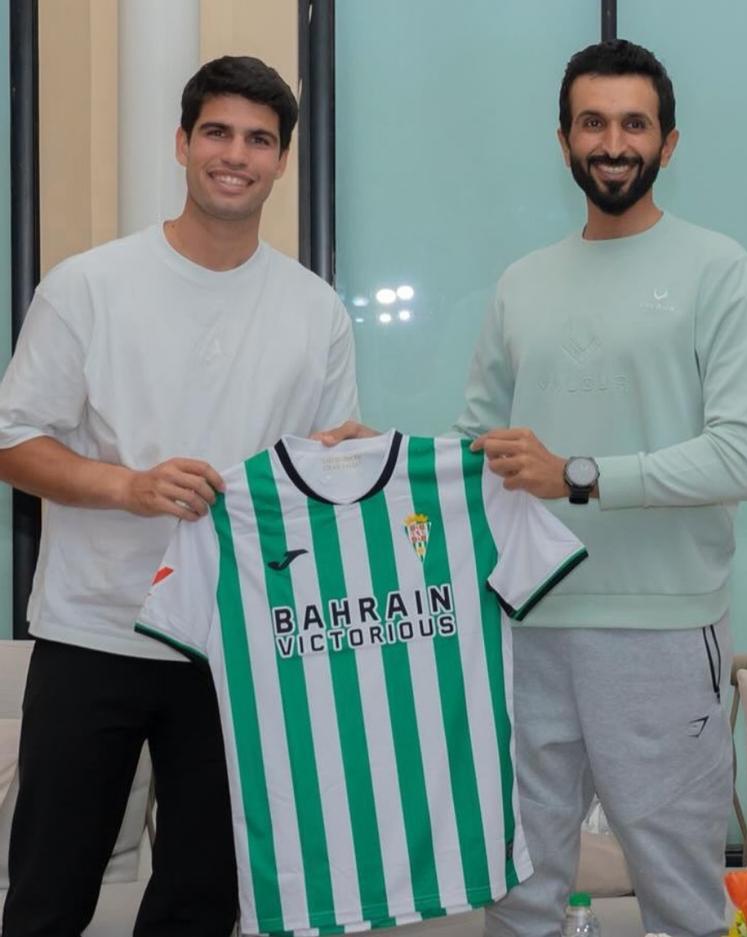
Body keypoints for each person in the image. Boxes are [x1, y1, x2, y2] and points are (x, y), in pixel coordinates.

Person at [0, 56, 358, 936]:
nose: (236, 155)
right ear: (183, 143)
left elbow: (323, 478)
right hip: (93, 633)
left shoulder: (316, 312)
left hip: (238, 651)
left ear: (281, 161)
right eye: (218, 132)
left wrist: (340, 468)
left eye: (259, 140)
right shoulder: (89, 284)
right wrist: (129, 485)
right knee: (47, 892)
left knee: (204, 899)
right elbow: (13, 444)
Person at [461, 39, 747, 937]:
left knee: (681, 898)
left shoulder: (719, 268)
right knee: (520, 895)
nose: (613, 141)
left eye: (634, 123)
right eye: (592, 122)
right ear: (563, 139)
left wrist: (580, 476)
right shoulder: (522, 282)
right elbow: (475, 442)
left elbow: (744, 457)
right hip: (524, 625)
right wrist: (375, 459)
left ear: (668, 143)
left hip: (666, 634)